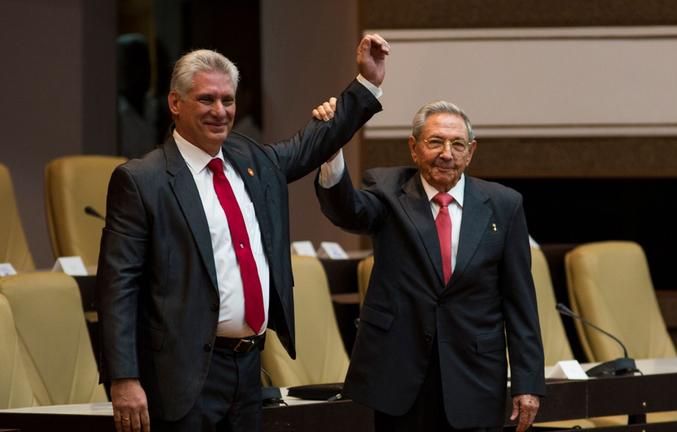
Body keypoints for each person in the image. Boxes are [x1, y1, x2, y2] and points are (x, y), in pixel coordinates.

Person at [96, 34, 389, 432]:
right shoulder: (142, 180)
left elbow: (310, 143)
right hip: (181, 376)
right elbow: (118, 287)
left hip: (248, 368)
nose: (220, 111)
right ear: (175, 103)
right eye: (206, 99)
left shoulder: (249, 158)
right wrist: (124, 378)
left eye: (228, 100)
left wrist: (367, 82)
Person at [315, 100, 545, 431]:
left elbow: (519, 300)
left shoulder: (504, 204)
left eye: (457, 144)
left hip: (474, 374)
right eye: (435, 142)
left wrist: (528, 382)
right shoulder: (387, 190)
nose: (446, 154)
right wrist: (331, 149)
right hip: (400, 375)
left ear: (471, 152)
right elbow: (347, 210)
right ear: (414, 147)